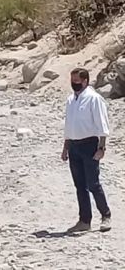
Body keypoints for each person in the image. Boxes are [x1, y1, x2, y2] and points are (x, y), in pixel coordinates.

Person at [62, 68, 111, 233]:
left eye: (76, 80)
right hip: (74, 146)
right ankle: (84, 220)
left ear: (85, 81)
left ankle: (105, 215)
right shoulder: (71, 100)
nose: (73, 83)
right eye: (72, 80)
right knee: (79, 185)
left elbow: (102, 125)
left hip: (89, 145)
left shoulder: (94, 99)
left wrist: (101, 147)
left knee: (93, 183)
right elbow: (69, 125)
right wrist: (65, 148)